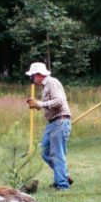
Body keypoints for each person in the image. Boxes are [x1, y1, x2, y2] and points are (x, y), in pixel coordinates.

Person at [25, 62, 73, 190]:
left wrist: (40, 104)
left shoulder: (52, 82)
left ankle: (62, 185)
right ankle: (64, 175)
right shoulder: (45, 86)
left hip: (60, 121)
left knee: (57, 154)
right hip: (52, 123)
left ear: (39, 75)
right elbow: (49, 104)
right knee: (44, 151)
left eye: (33, 76)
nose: (32, 79)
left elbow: (59, 101)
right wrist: (37, 105)